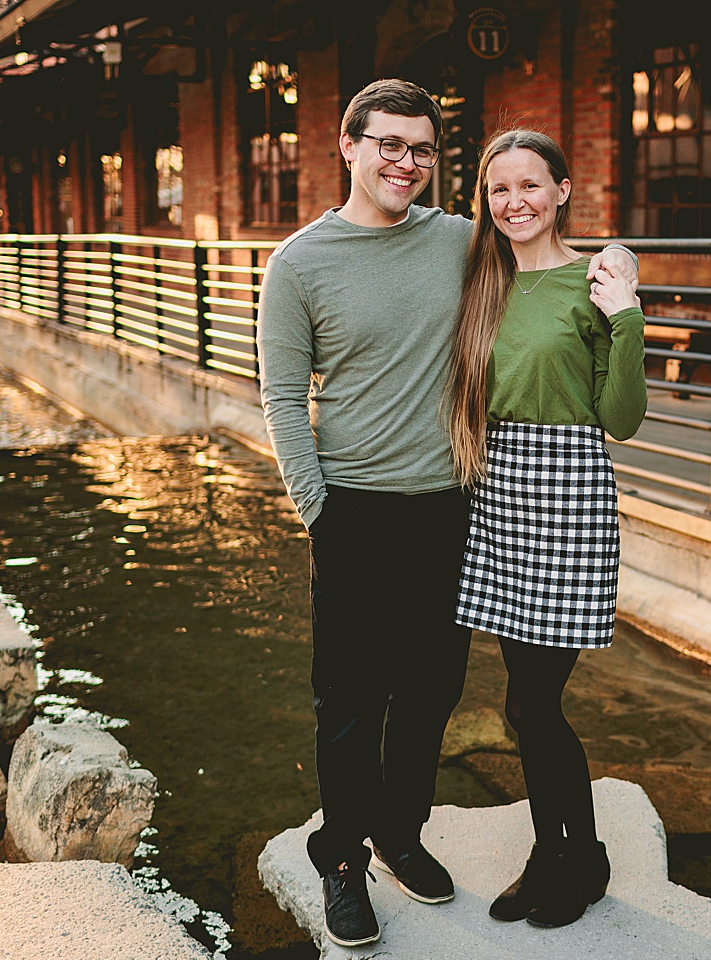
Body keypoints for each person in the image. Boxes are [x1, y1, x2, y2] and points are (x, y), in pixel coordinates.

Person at [256, 80, 638, 948]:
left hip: (454, 510)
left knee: (430, 693)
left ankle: (402, 832)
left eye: (422, 149)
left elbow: (548, 241)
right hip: (352, 510)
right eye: (388, 144)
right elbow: (281, 400)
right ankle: (344, 858)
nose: (405, 162)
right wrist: (319, 511)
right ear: (346, 146)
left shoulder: (463, 244)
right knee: (349, 703)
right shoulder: (300, 264)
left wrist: (623, 267)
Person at [446, 129, 648, 928]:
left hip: (567, 493)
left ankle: (577, 856)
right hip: (496, 493)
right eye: (499, 190)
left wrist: (626, 313)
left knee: (534, 703)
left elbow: (621, 419)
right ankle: (555, 850)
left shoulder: (592, 282)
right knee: (520, 701)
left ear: (563, 190)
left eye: (531, 185)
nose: (515, 202)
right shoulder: (481, 281)